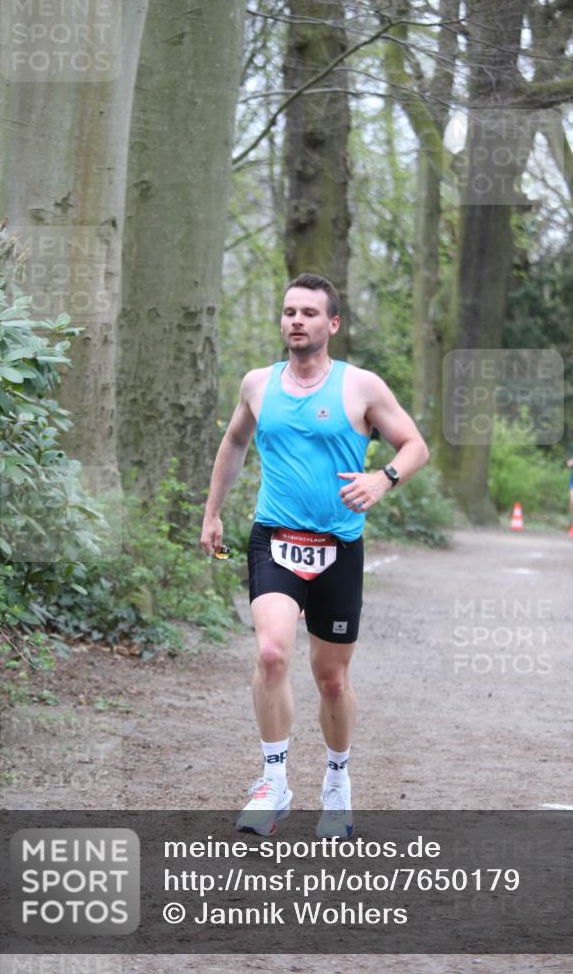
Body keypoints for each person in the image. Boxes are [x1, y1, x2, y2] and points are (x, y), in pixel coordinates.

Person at [200, 273, 429, 838]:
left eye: (307, 312)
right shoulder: (258, 385)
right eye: (288, 312)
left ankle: (337, 782)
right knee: (273, 651)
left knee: (331, 678)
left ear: (332, 324)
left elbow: (415, 444)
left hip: (339, 546)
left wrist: (384, 478)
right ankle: (274, 781)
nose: (295, 321)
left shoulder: (361, 388)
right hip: (274, 539)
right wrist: (212, 513)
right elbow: (234, 442)